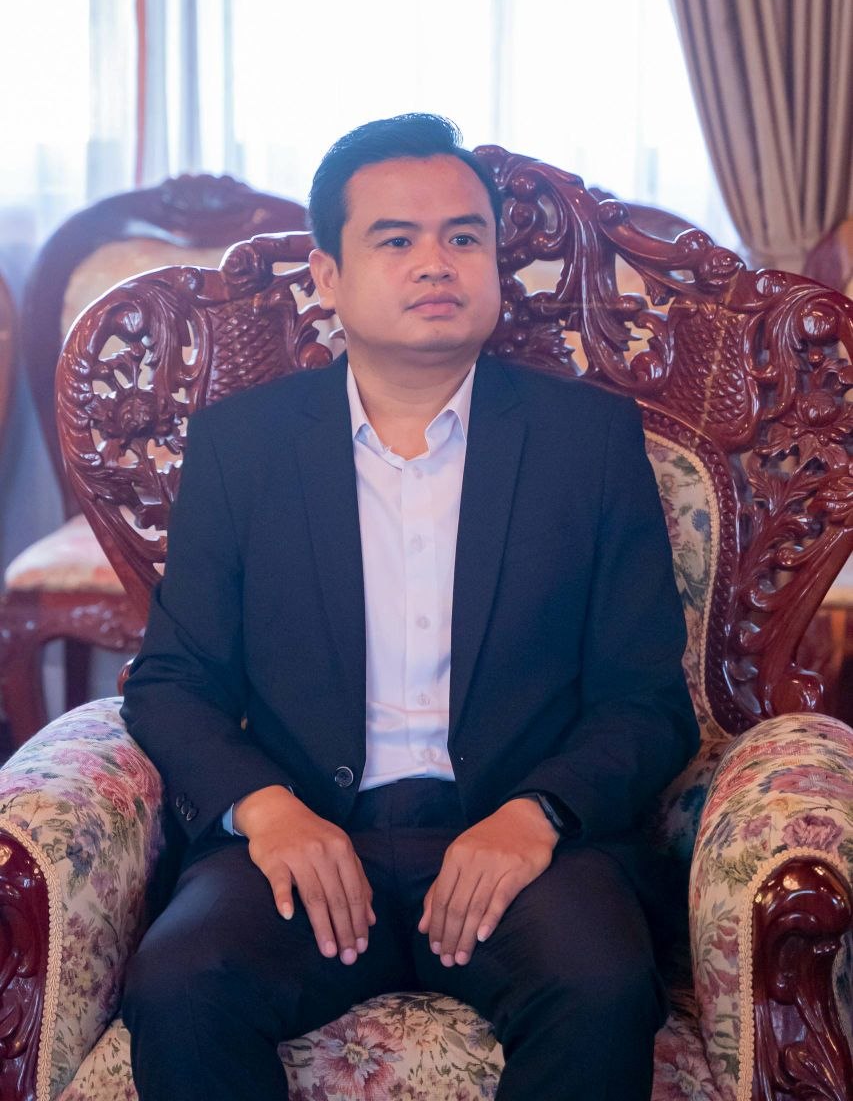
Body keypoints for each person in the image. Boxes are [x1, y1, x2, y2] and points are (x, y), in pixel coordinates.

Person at [121, 113, 699, 1100]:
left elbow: (644, 700)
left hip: (516, 837)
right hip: (306, 829)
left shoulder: (588, 442)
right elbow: (173, 682)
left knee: (600, 983)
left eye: (463, 236)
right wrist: (267, 811)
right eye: (396, 239)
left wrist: (539, 812)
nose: (436, 262)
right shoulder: (242, 447)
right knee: (180, 984)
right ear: (329, 274)